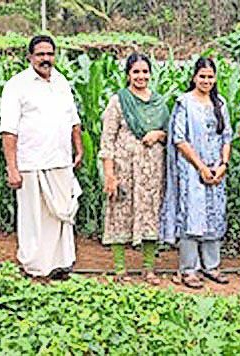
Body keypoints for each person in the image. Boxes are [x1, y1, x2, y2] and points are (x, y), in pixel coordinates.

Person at [0, 35, 83, 282]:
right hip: (30, 163)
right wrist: (12, 168)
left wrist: (78, 147)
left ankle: (61, 265)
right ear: (30, 57)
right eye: (40, 55)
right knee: (33, 219)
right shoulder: (17, 85)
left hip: (60, 160)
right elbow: (8, 130)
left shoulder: (61, 82)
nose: (46, 59)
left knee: (61, 216)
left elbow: (73, 119)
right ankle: (34, 267)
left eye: (50, 54)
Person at [160, 58, 232, 289]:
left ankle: (211, 266)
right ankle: (189, 269)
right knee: (192, 215)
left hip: (216, 168)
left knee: (214, 214)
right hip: (192, 169)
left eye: (210, 76)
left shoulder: (220, 103)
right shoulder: (184, 103)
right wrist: (200, 166)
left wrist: (223, 165)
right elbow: (179, 139)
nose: (206, 81)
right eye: (202, 76)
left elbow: (227, 137)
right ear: (194, 77)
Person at [99, 53, 168, 285]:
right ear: (128, 74)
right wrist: (109, 174)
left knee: (150, 213)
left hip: (152, 170)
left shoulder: (159, 102)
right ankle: (120, 270)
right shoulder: (118, 101)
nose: (141, 76)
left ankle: (149, 270)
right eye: (136, 71)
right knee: (120, 214)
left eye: (145, 71)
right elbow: (107, 140)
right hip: (124, 168)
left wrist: (158, 134)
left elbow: (171, 133)